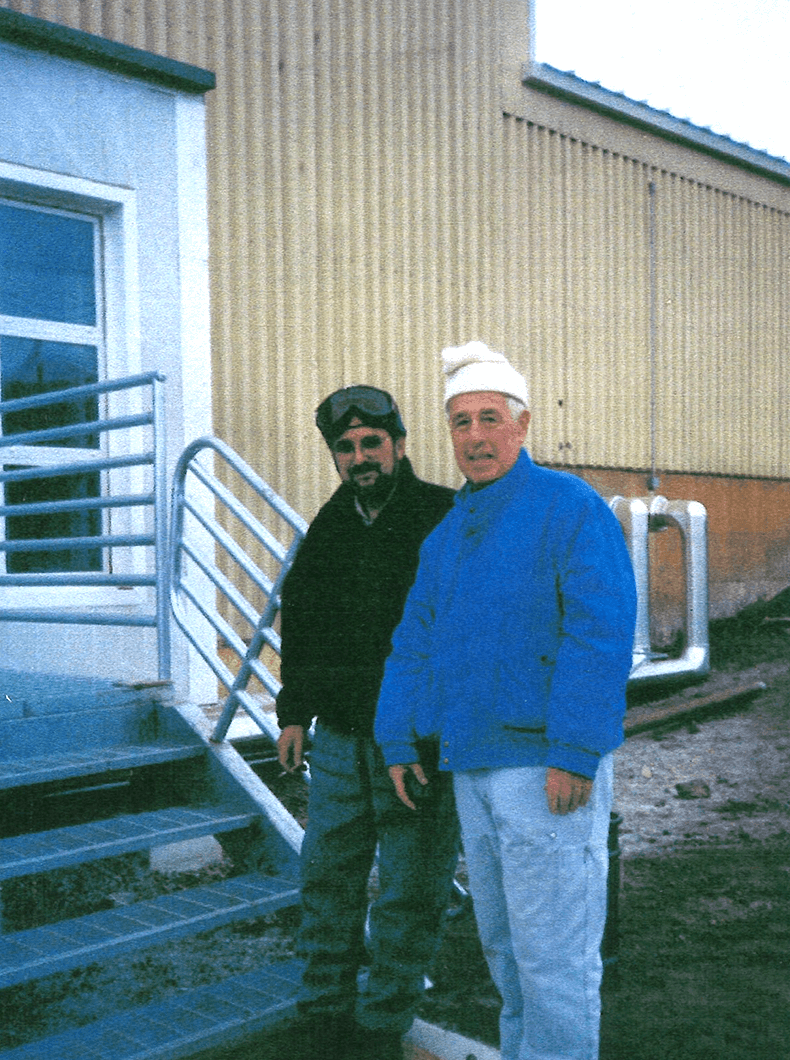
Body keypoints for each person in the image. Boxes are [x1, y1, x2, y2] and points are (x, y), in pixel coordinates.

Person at [375, 342, 637, 1060]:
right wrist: (398, 740)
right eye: (460, 422)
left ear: (522, 426)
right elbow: (414, 646)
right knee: (506, 950)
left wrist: (576, 752)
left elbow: (600, 634)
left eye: (490, 418)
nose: (474, 436)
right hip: (472, 769)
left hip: (545, 771)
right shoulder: (448, 536)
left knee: (555, 961)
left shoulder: (569, 509)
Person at [276, 385, 460, 1060]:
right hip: (341, 741)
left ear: (400, 444)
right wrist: (294, 712)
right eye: (345, 447)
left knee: (410, 887)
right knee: (327, 877)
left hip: (416, 744)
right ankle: (324, 1011)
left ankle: (383, 1022)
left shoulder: (444, 514)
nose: (360, 457)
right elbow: (303, 617)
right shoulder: (332, 523)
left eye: (371, 444)